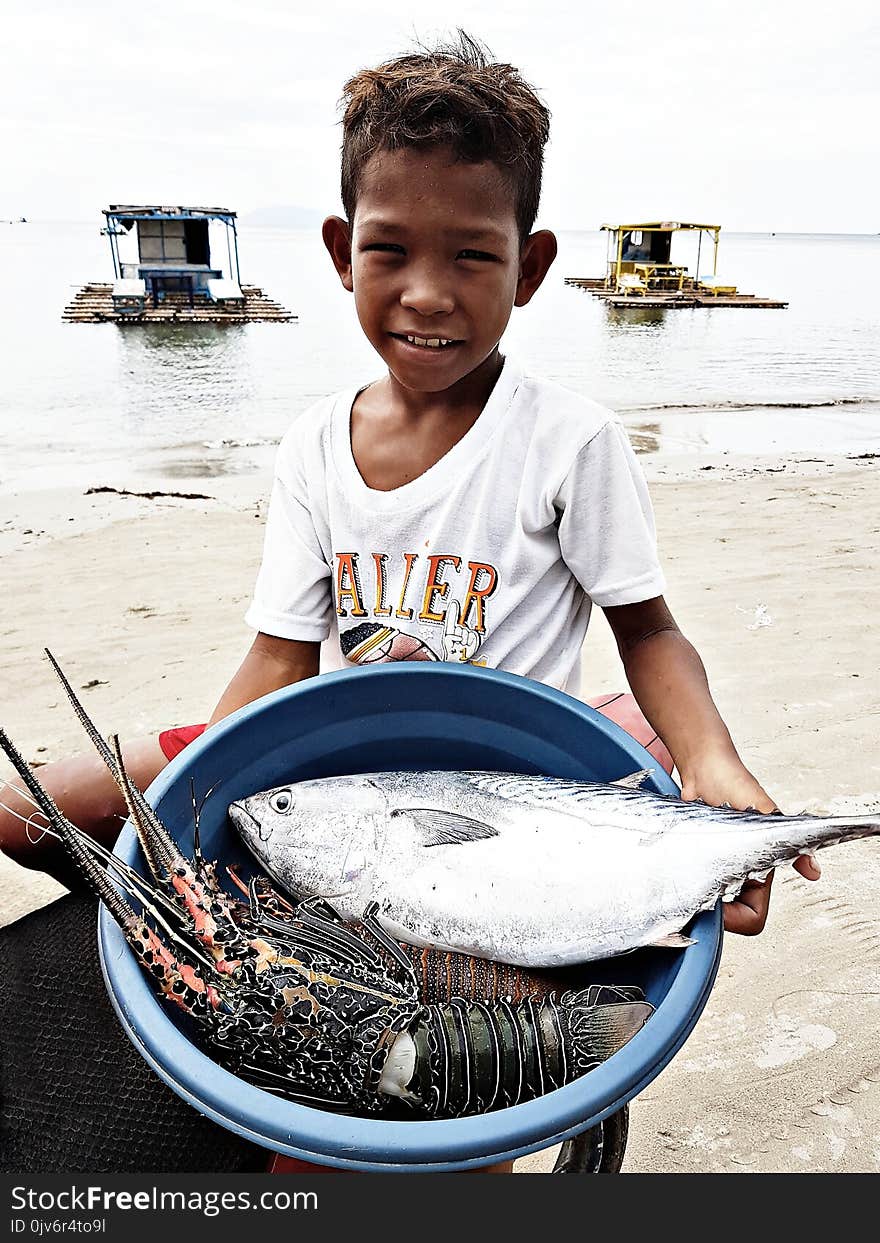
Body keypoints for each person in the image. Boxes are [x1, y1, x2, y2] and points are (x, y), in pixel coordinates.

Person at [0, 32, 819, 1171]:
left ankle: (531, 1094)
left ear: (529, 269)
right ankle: (126, 931)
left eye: (471, 257)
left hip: (509, 804)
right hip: (330, 762)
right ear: (341, 251)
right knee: (23, 804)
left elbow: (650, 632)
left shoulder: (566, 441)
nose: (427, 292)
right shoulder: (311, 447)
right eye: (390, 249)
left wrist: (714, 762)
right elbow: (280, 662)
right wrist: (189, 810)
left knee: (427, 1111)